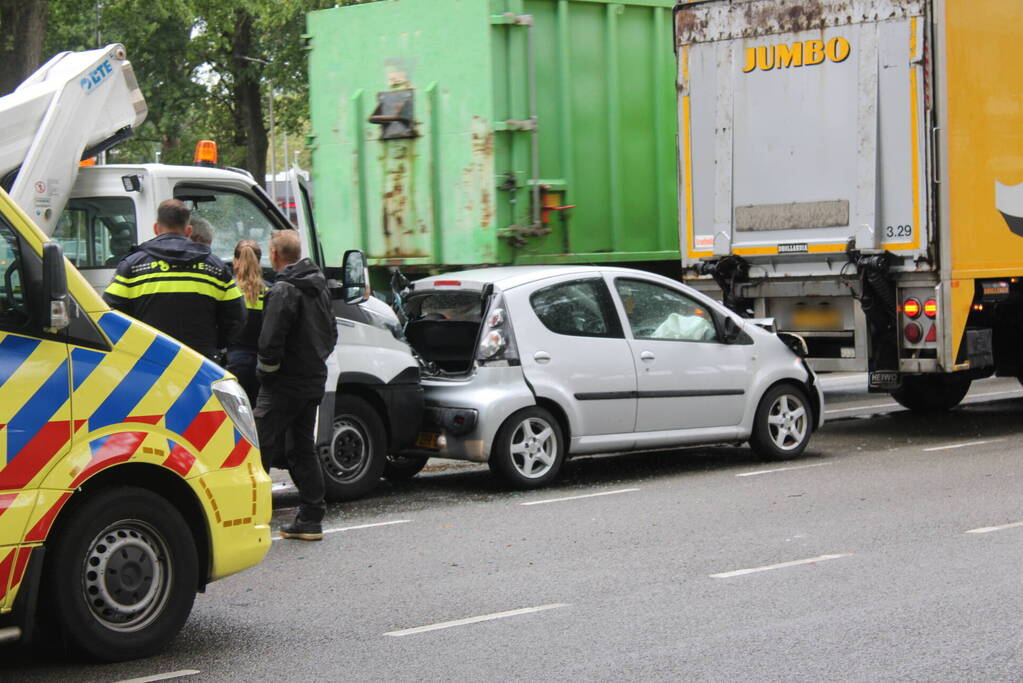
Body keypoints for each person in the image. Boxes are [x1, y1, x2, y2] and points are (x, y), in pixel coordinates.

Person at [256, 229, 337, 541]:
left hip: (283, 382)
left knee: (259, 444)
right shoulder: (319, 287)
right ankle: (311, 517)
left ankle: (252, 516)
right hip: (313, 379)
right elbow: (331, 333)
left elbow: (270, 338)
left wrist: (267, 373)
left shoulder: (283, 290)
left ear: (275, 255)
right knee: (301, 446)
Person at [103, 199, 246, 360]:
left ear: (156, 228)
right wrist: (213, 344)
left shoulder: (132, 267)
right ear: (189, 230)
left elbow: (109, 314)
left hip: (149, 361)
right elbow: (237, 318)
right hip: (201, 362)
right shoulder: (216, 268)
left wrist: (135, 346)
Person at [227, 239, 267, 404]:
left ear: (235, 260)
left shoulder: (229, 290)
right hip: (261, 365)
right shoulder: (271, 292)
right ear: (259, 261)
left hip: (233, 362)